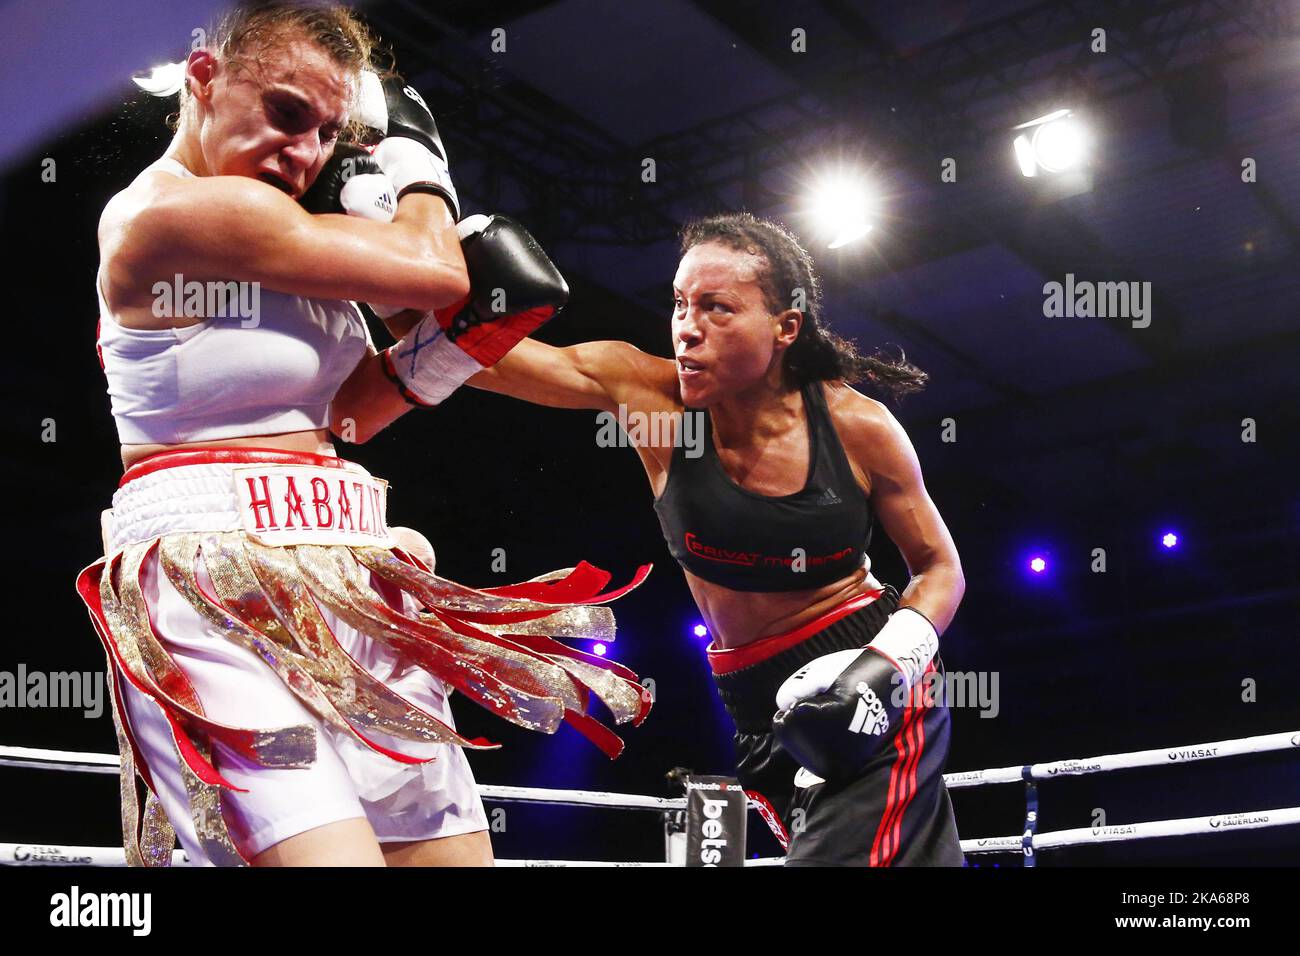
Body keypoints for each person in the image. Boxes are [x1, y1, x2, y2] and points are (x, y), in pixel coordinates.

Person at [78, 1, 648, 868]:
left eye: (325, 132)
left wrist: (458, 345)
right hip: (214, 592)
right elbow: (437, 266)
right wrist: (416, 158)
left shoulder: (302, 245)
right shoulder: (162, 215)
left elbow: (353, 412)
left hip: (354, 578)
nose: (303, 153)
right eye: (285, 113)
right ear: (203, 81)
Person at [470, 212, 965, 865]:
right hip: (752, 705)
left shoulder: (854, 426)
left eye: (717, 307)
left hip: (875, 678)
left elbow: (939, 567)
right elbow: (472, 362)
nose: (687, 326)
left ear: (785, 326)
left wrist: (882, 670)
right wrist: (419, 262)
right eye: (679, 303)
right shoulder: (644, 394)